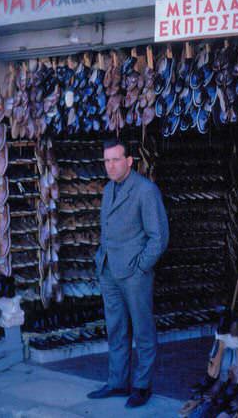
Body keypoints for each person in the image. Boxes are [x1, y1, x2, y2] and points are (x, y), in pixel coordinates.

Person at [87, 138, 169, 409]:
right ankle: (118, 382)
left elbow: (158, 237)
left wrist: (142, 266)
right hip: (109, 269)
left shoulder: (145, 190)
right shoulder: (109, 189)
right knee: (116, 329)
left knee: (142, 330)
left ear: (129, 161)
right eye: (106, 160)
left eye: (115, 159)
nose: (110, 165)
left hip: (134, 272)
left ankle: (142, 385)